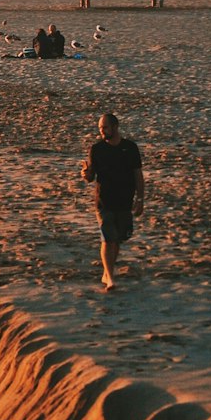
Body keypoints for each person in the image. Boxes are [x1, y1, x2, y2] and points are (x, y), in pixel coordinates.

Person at [81, 113, 145, 290]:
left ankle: (107, 272)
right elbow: (91, 176)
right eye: (100, 128)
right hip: (104, 201)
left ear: (115, 127)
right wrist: (85, 175)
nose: (102, 131)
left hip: (125, 201)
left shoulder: (130, 148)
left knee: (117, 239)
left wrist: (140, 198)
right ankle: (110, 278)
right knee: (108, 238)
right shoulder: (97, 149)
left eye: (105, 127)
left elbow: (138, 175)